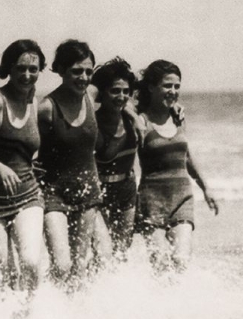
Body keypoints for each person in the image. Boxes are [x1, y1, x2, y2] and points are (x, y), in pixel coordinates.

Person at [0, 40, 45, 293]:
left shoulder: (34, 102)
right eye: (20, 68)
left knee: (31, 262)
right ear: (9, 69)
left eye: (33, 69)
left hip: (27, 195)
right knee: (7, 272)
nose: (27, 75)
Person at [134, 60, 218, 273]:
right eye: (167, 86)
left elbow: (187, 158)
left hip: (182, 198)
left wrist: (205, 188)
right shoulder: (140, 120)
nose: (173, 91)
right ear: (151, 87)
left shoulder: (178, 118)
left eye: (177, 86)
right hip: (151, 201)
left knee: (181, 260)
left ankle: (178, 305)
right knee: (160, 264)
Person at [37, 40, 101, 286]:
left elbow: (126, 90)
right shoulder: (46, 108)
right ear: (61, 70)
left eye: (88, 71)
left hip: (87, 192)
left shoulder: (92, 95)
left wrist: (173, 108)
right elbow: (30, 149)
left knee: (80, 264)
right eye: (76, 71)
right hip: (54, 194)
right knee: (62, 265)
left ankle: (74, 317)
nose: (83, 77)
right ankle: (47, 308)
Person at [90, 58, 140, 261]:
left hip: (126, 190)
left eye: (125, 91)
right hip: (98, 193)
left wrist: (176, 107)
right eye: (115, 91)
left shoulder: (133, 116)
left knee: (121, 254)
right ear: (102, 92)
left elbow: (161, 99)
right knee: (102, 252)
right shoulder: (91, 123)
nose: (121, 97)